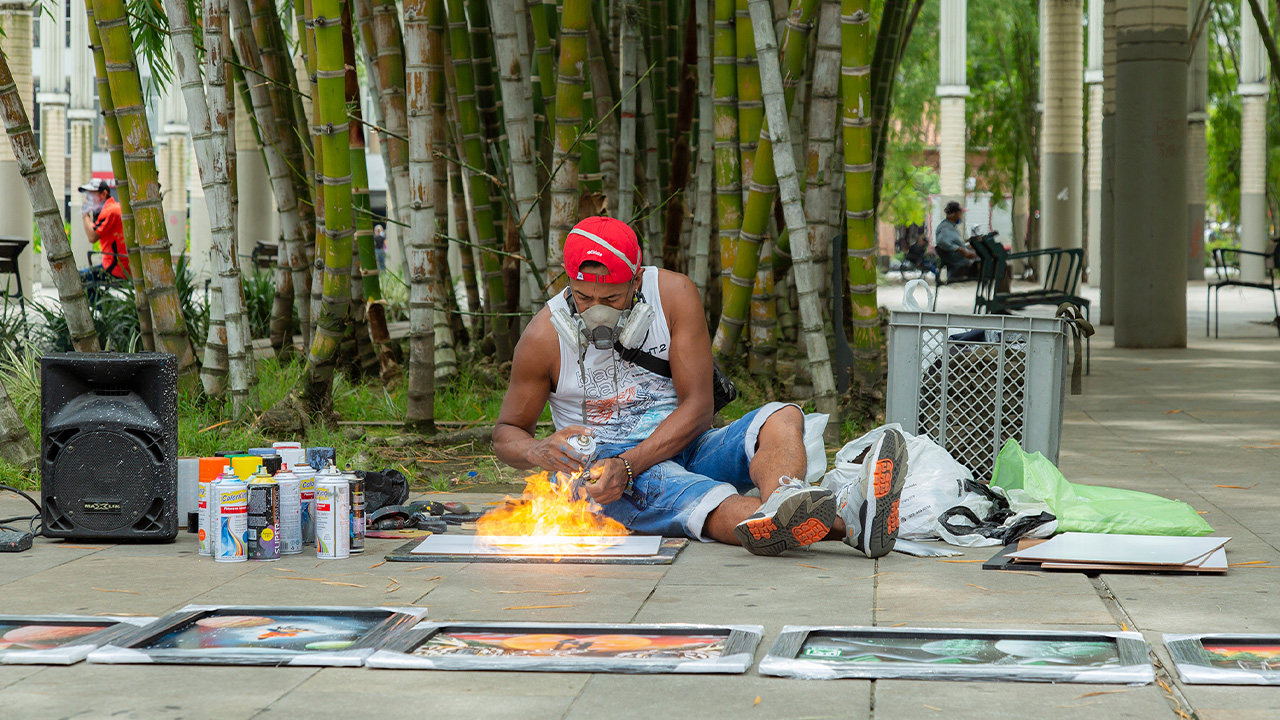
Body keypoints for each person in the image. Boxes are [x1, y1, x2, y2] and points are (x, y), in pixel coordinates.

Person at [494, 216, 908, 558]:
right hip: (608, 476)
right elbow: (505, 434)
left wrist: (633, 461)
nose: (595, 312)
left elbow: (697, 407)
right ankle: (851, 521)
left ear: (637, 280)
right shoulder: (544, 337)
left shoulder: (672, 296)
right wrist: (536, 449)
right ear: (567, 284)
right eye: (583, 298)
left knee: (780, 416)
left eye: (613, 298)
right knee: (714, 504)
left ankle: (788, 496)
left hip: (684, 441)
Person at [78, 178, 129, 282]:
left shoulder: (110, 211)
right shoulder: (111, 208)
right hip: (118, 264)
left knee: (78, 277)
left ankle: (96, 299)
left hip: (116, 268)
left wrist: (85, 215)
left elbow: (92, 237)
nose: (88, 199)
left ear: (103, 194)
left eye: (91, 195)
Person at [934, 200, 979, 280]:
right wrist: (962, 250)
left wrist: (967, 247)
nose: (961, 216)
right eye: (960, 214)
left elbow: (954, 243)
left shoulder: (951, 227)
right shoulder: (946, 227)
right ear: (954, 214)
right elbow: (942, 242)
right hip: (958, 263)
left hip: (960, 260)